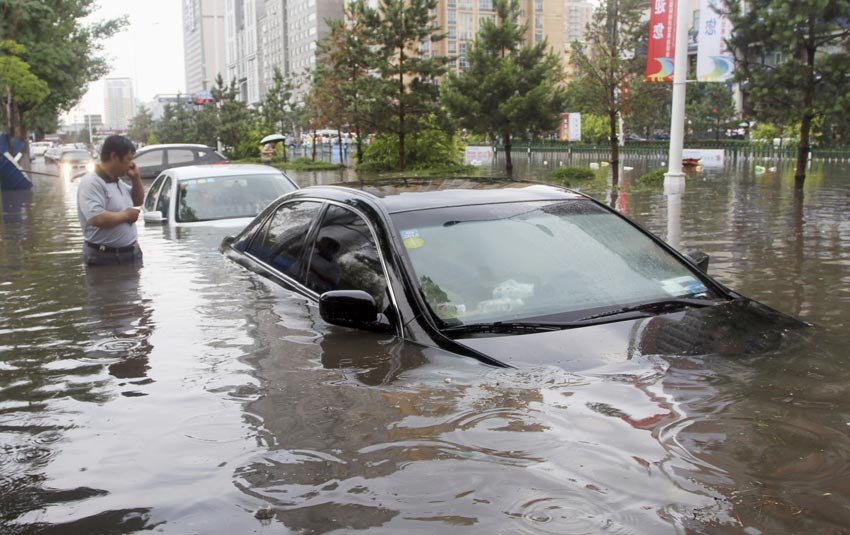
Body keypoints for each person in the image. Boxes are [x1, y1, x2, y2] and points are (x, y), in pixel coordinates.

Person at [76, 135, 144, 266]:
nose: (131, 164)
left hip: (130, 254)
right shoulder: (92, 182)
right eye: (128, 159)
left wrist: (136, 178)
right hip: (104, 257)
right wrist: (126, 215)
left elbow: (138, 201)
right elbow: (96, 218)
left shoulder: (117, 182)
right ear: (114, 157)